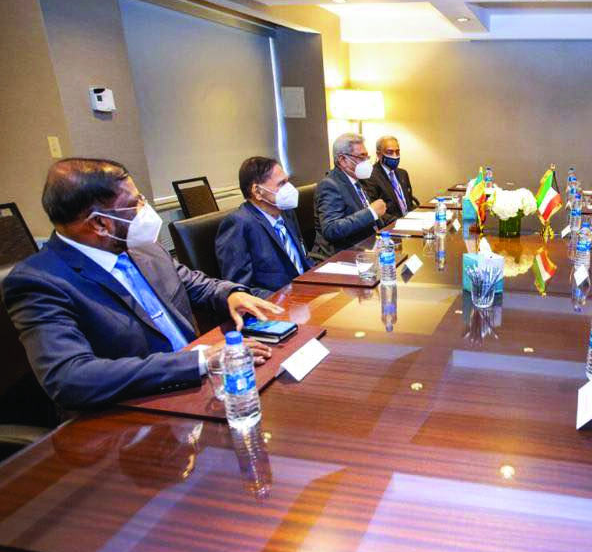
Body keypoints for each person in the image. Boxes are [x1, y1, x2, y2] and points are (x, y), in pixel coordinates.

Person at [1, 158, 281, 411]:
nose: (145, 210)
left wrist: (231, 294)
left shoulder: (144, 248)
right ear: (100, 224)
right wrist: (199, 361)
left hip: (205, 388)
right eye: (134, 203)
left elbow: (193, 283)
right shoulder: (39, 282)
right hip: (134, 415)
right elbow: (70, 378)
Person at [215, 157, 313, 298]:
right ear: (257, 191)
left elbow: (303, 259)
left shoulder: (287, 213)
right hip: (278, 303)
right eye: (281, 183)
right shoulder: (238, 224)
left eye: (288, 181)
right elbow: (240, 290)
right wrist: (286, 300)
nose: (289, 188)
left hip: (307, 292)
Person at [310, 133, 387, 261]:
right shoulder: (329, 185)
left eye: (367, 156)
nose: (366, 161)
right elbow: (331, 229)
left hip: (368, 247)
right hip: (342, 255)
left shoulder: (356, 180)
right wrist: (371, 212)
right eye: (361, 157)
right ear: (343, 160)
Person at [362, 135, 420, 226]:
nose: (395, 156)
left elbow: (409, 204)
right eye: (390, 152)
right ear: (379, 154)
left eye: (397, 152)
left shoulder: (403, 173)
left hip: (410, 223)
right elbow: (374, 212)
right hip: (391, 226)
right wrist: (401, 222)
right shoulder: (370, 177)